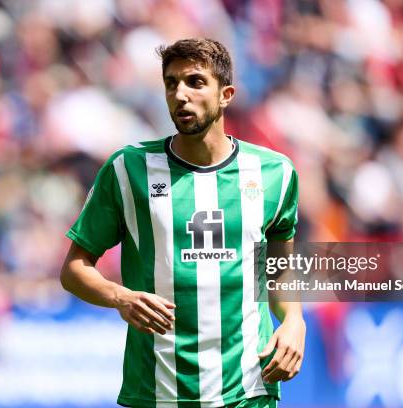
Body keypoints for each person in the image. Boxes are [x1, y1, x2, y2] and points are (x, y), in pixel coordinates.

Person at [60, 38, 305, 407]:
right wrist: (120, 297)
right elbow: (74, 268)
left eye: (194, 81)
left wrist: (294, 322)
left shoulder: (275, 173)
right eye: (171, 83)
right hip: (157, 391)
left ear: (226, 95)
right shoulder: (128, 169)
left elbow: (279, 269)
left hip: (249, 389)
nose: (180, 94)